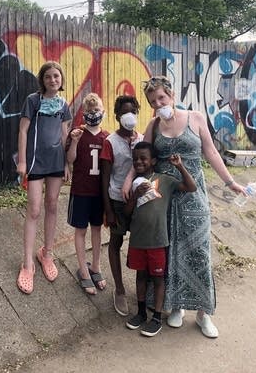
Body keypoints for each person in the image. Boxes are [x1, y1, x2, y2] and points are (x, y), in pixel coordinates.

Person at [123, 75, 244, 338]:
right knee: (169, 252)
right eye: (154, 101)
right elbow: (142, 153)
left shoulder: (196, 118)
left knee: (198, 251)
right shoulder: (154, 124)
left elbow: (211, 152)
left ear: (172, 95)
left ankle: (203, 313)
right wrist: (129, 180)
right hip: (163, 198)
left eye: (162, 98)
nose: (159, 104)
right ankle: (175, 306)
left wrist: (230, 182)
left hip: (193, 194)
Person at [123, 142, 196, 337]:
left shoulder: (165, 180)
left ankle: (156, 317)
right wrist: (134, 197)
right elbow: (127, 213)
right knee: (140, 277)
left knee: (157, 279)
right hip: (138, 240)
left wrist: (179, 166)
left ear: (153, 161)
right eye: (136, 158)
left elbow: (191, 187)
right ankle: (140, 313)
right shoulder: (134, 183)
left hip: (157, 241)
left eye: (143, 158)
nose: (139, 161)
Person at [16, 61, 72, 295]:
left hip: (56, 163)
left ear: (61, 79)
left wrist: (68, 163)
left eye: (56, 76)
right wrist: (22, 162)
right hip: (36, 163)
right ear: (43, 79)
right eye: (48, 76)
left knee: (51, 206)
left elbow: (65, 134)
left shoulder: (63, 105)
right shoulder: (33, 101)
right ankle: (27, 263)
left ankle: (46, 254)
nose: (52, 80)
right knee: (34, 209)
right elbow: (23, 131)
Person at [99, 95, 143, 315]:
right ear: (117, 116)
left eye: (133, 111)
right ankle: (119, 290)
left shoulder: (143, 139)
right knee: (115, 243)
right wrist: (108, 210)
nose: (129, 115)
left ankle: (144, 291)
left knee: (142, 245)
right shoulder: (110, 142)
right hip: (116, 201)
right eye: (125, 112)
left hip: (139, 203)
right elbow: (104, 178)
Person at [66, 93, 109, 295]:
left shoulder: (107, 137)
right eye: (90, 111)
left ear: (103, 112)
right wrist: (74, 141)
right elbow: (71, 160)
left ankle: (96, 266)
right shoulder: (78, 134)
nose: (94, 114)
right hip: (81, 190)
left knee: (97, 230)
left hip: (99, 193)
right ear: (84, 113)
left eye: (97, 110)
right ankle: (83, 270)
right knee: (80, 231)